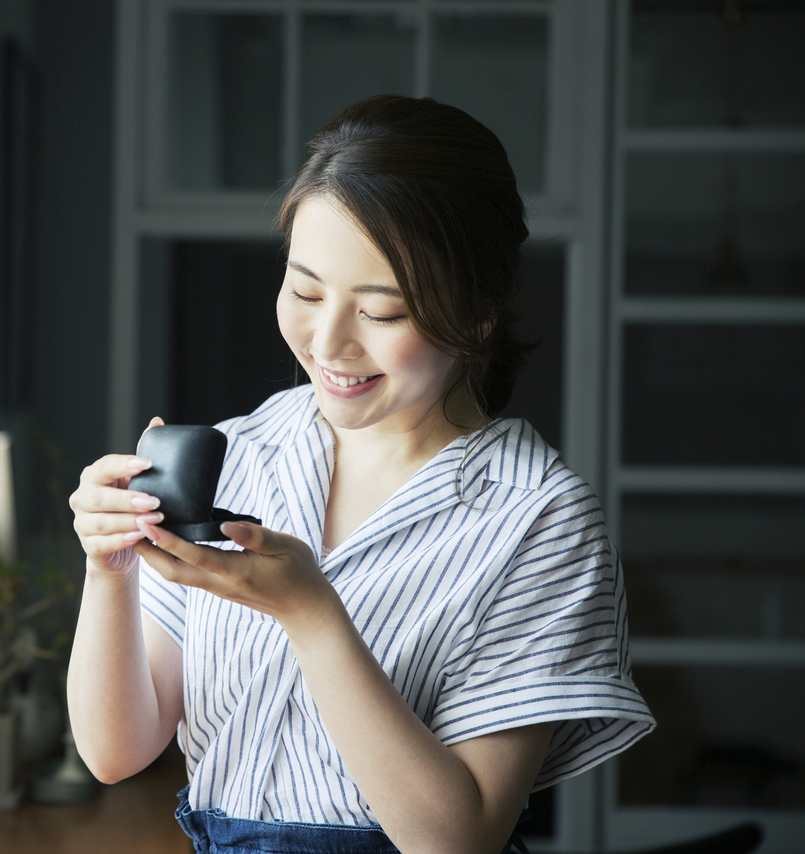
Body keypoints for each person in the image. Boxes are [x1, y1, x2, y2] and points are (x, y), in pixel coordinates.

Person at [67, 94, 654, 854]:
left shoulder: (538, 519)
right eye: (306, 291)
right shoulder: (240, 452)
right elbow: (116, 753)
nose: (329, 342)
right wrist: (107, 569)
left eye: (381, 312)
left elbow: (458, 841)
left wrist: (314, 618)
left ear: (477, 317)